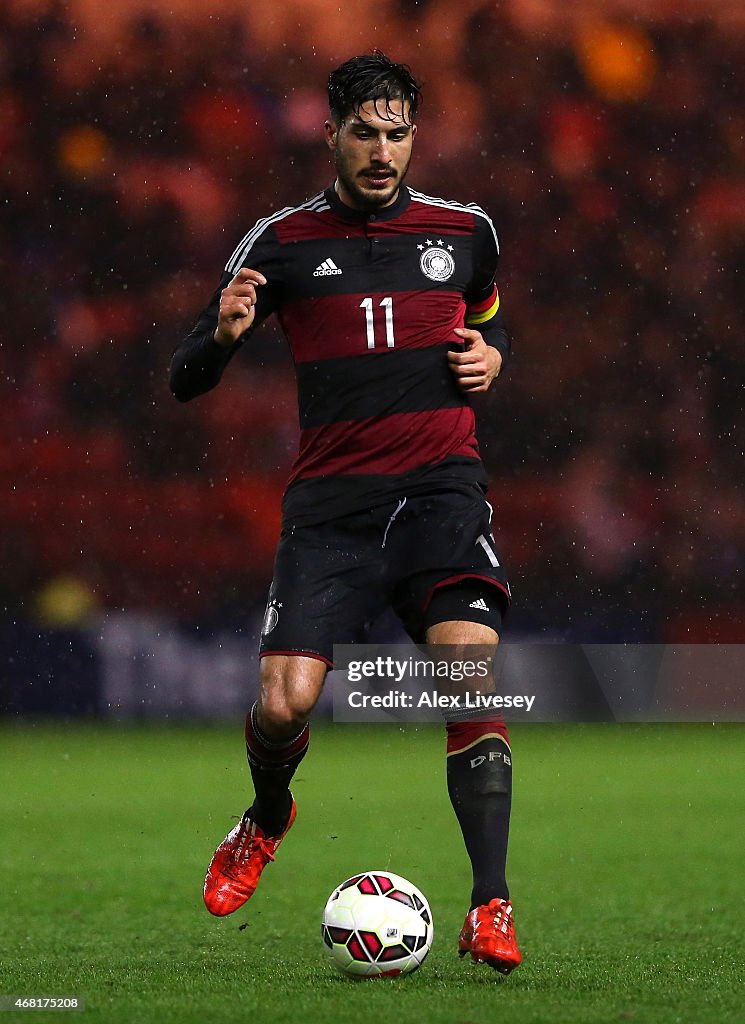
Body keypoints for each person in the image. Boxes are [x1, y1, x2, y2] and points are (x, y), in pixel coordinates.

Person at [170, 51, 521, 975]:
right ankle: (269, 816)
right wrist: (219, 338)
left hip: (441, 490)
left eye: (395, 132)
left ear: (415, 136)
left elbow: (482, 330)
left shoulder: (466, 229)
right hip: (332, 508)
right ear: (330, 134)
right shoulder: (278, 241)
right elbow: (184, 378)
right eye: (362, 132)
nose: (379, 150)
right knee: (283, 705)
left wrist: (491, 362)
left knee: (465, 675)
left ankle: (490, 903)